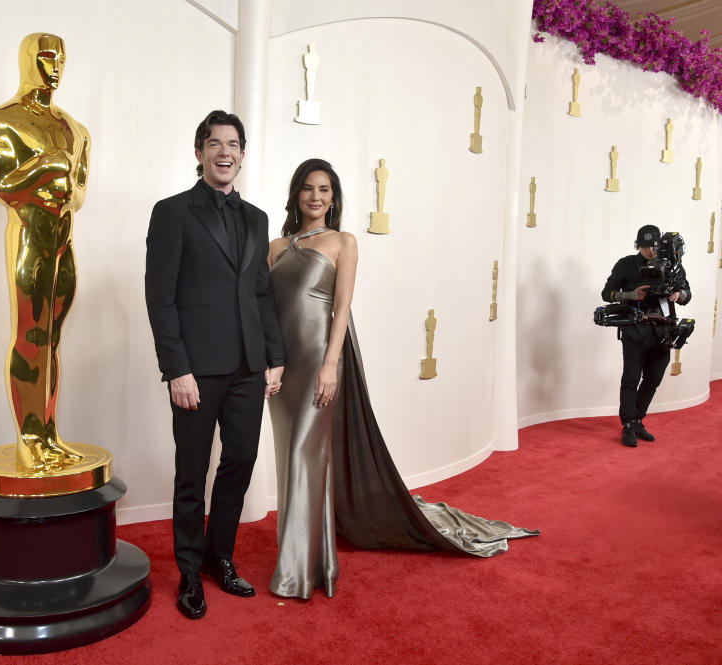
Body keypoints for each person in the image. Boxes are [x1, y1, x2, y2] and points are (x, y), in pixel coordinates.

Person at [266, 158, 538, 599]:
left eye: (325, 190)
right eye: (308, 189)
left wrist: (331, 364)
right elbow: (266, 311)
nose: (316, 197)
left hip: (319, 362)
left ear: (334, 199)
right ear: (296, 194)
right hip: (281, 370)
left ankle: (299, 570)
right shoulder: (276, 247)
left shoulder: (343, 242)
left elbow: (342, 309)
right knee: (289, 459)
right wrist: (267, 360)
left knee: (304, 456)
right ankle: (305, 556)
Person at [145, 110, 286, 619]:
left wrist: (275, 356)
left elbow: (261, 294)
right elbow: (159, 299)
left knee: (240, 464)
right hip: (196, 371)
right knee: (191, 471)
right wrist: (175, 368)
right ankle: (187, 572)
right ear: (200, 152)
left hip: (250, 366)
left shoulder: (257, 219)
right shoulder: (172, 212)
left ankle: (217, 558)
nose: (224, 152)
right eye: (214, 143)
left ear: (242, 156)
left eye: (233, 144)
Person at [0, 33, 90, 472]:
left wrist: (64, 178)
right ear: (28, 60)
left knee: (53, 340)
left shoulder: (74, 128)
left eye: (61, 57)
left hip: (63, 237)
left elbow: (78, 193)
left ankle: (49, 434)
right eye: (46, 57)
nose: (55, 65)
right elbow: (2, 186)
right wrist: (48, 165)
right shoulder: (0, 121)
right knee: (30, 337)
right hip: (29, 234)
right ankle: (29, 439)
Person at [601, 224, 691, 447]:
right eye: (645, 246)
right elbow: (606, 294)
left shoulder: (674, 266)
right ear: (637, 245)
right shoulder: (626, 265)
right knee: (631, 378)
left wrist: (679, 295)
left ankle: (638, 419)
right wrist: (629, 294)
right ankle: (628, 424)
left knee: (654, 378)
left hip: (664, 331)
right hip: (636, 329)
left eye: (654, 245)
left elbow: (688, 294)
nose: (651, 250)